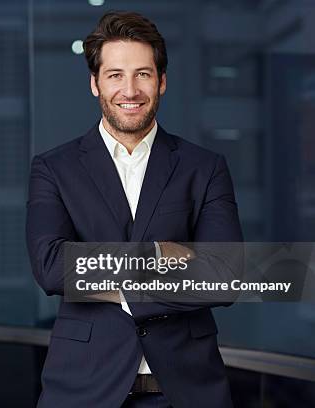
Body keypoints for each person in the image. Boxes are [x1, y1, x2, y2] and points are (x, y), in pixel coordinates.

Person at [26, 11, 242, 408]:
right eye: (115, 75)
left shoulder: (205, 166)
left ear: (161, 81)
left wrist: (104, 279)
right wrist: (159, 255)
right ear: (95, 84)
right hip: (83, 391)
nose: (130, 90)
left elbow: (224, 274)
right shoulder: (54, 168)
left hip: (187, 391)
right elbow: (52, 266)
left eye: (143, 74)